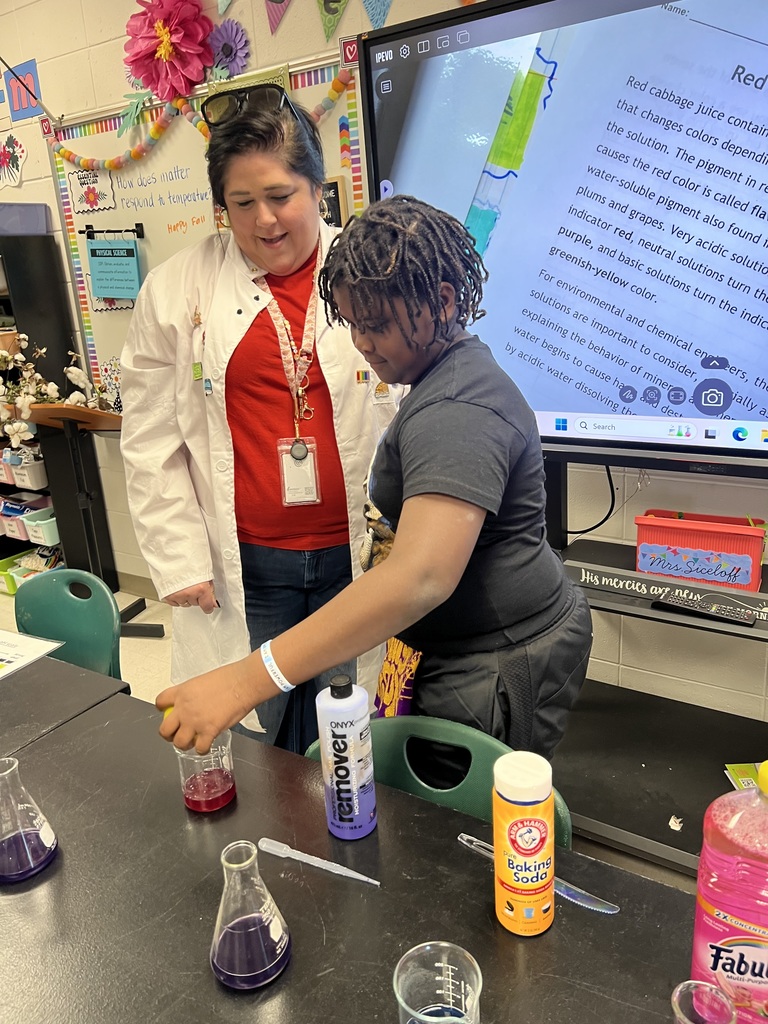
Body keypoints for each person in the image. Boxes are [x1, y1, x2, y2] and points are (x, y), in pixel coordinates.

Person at [156, 194, 593, 767]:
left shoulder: (460, 406)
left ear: (441, 301)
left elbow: (421, 576)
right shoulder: (440, 376)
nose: (362, 343)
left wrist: (244, 681)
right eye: (354, 325)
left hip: (496, 656)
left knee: (463, 828)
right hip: (457, 647)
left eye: (378, 325)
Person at [120, 86, 399, 753]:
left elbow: (416, 411)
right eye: (241, 204)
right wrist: (180, 558)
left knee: (350, 731)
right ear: (221, 209)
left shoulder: (374, 272)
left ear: (317, 188)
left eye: (281, 196)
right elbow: (151, 438)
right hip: (246, 563)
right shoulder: (176, 289)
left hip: (354, 560)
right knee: (263, 736)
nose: (265, 222)